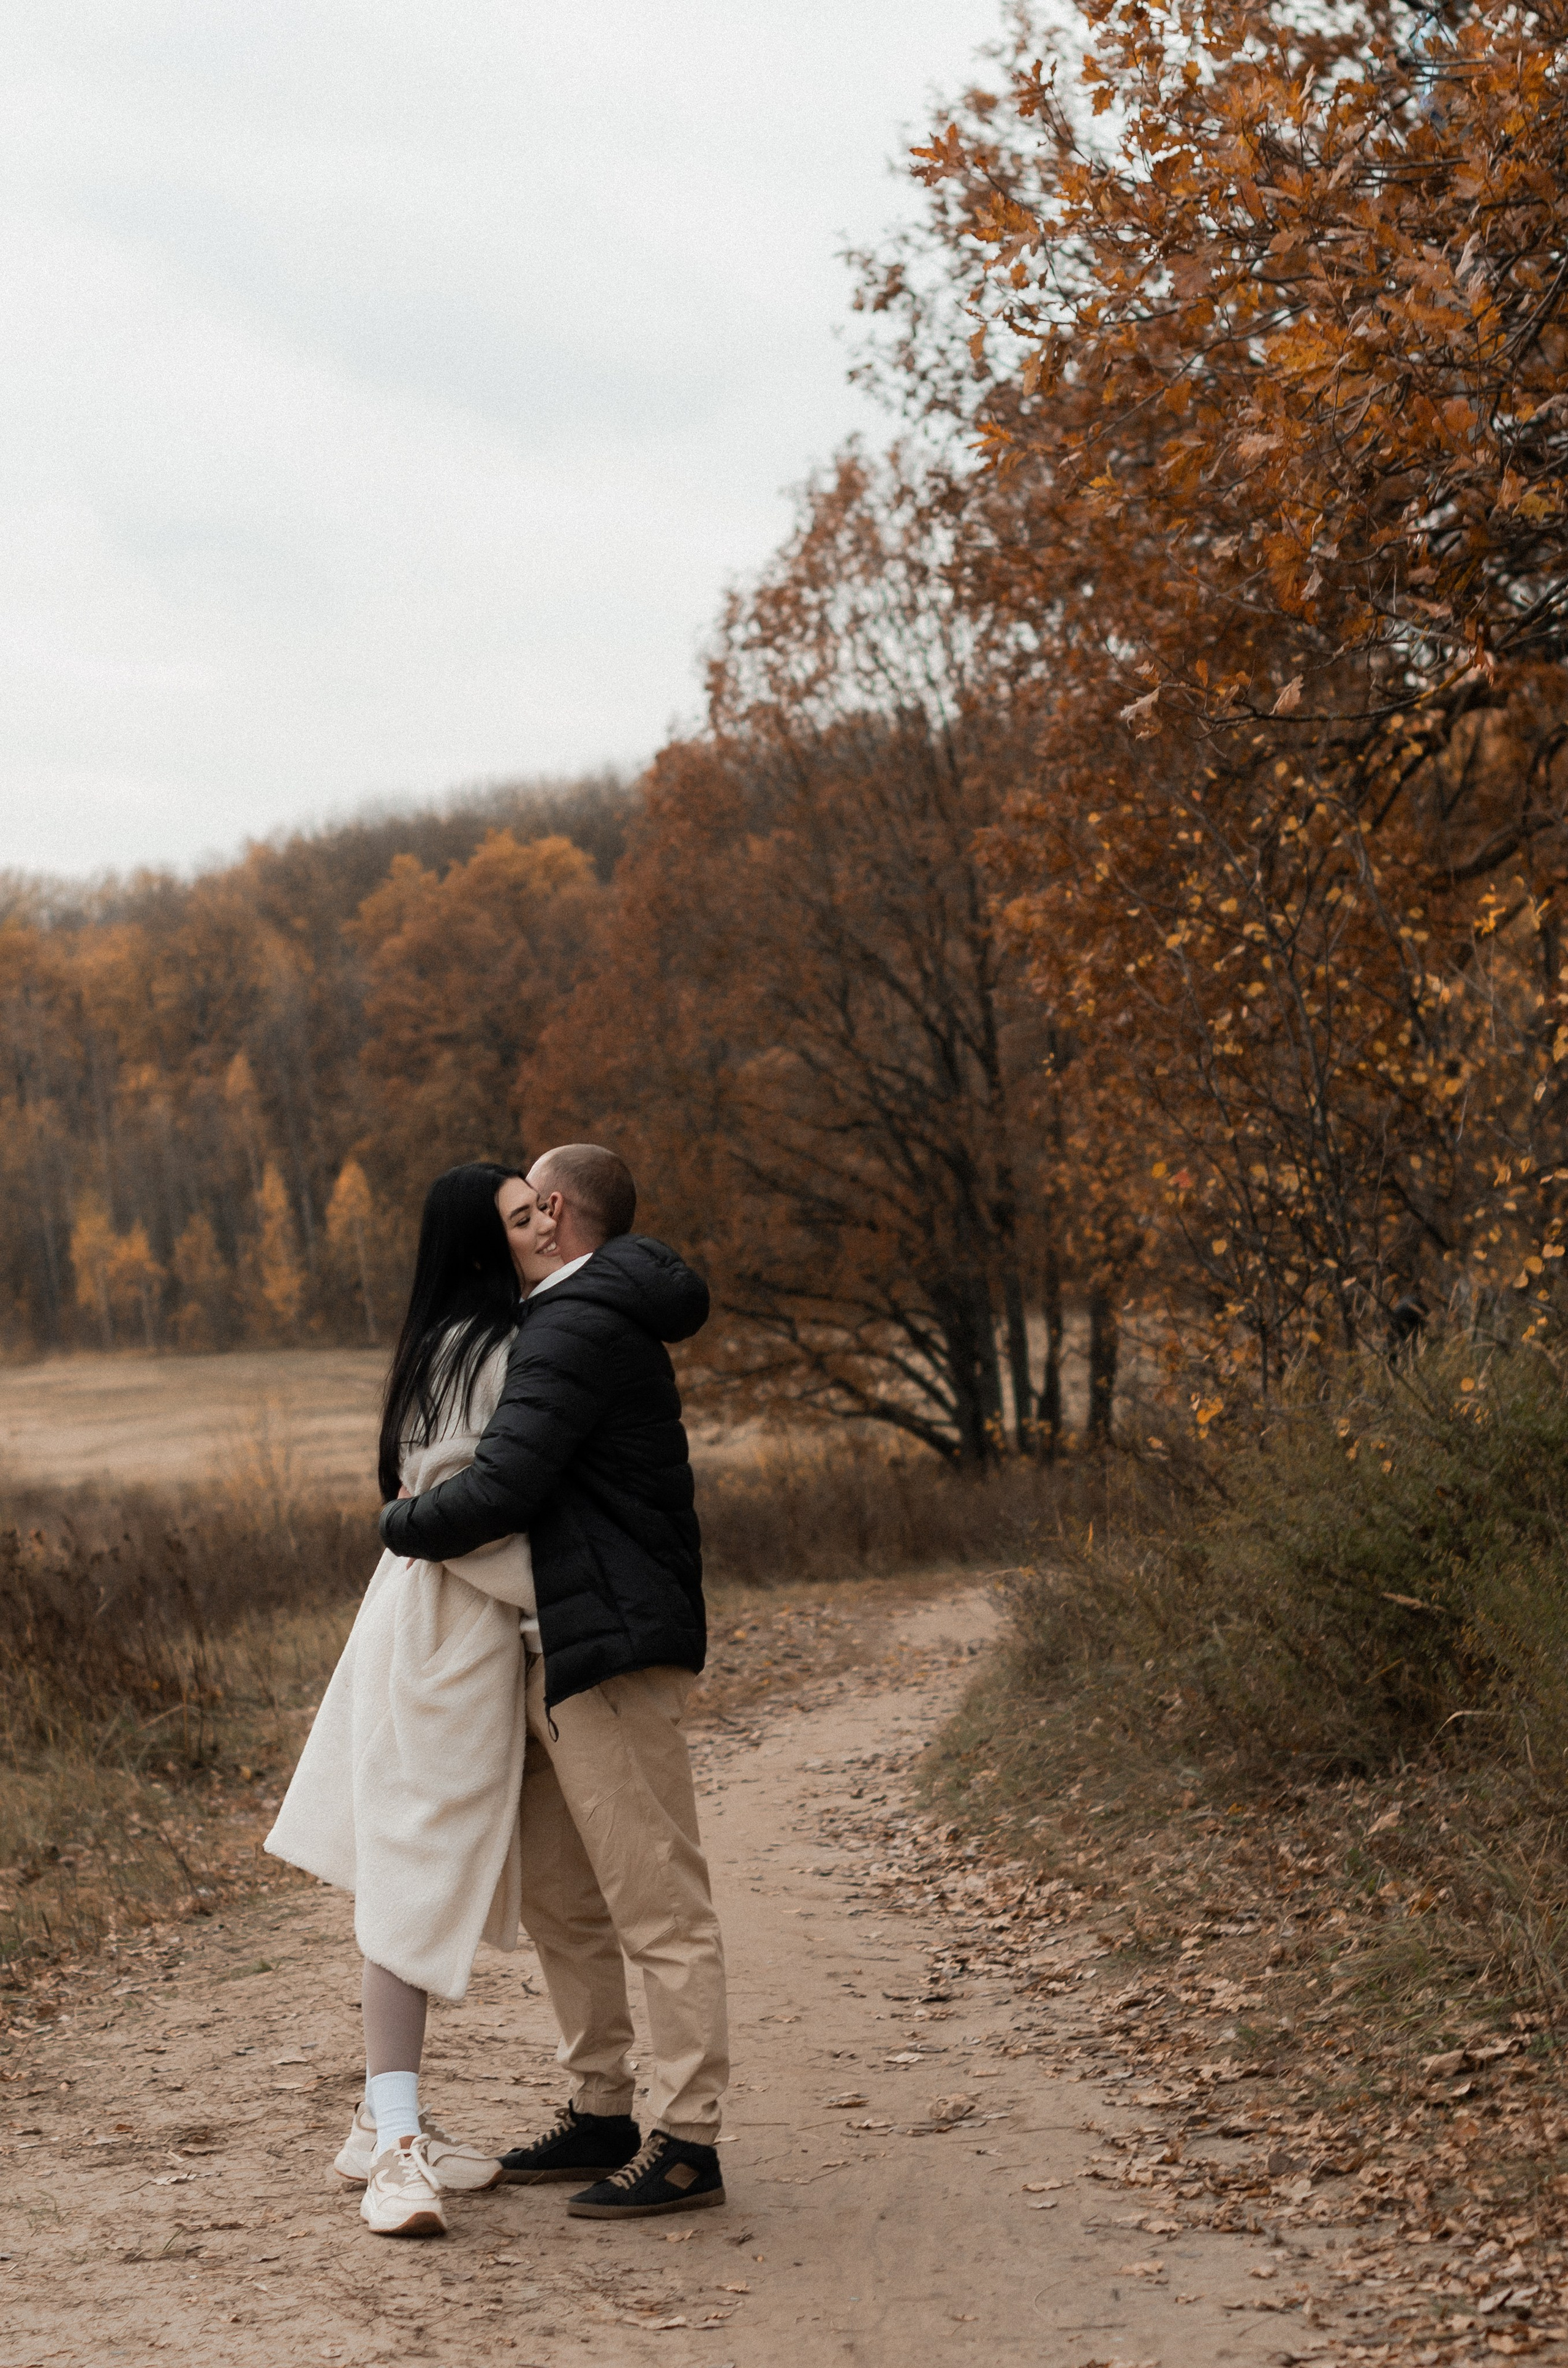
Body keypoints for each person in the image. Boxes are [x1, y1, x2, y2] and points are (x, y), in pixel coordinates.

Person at [379, 1142, 729, 2221]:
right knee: (569, 1903)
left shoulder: (576, 1322)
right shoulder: (572, 1316)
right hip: (558, 1641)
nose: (520, 1223)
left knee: (656, 1899)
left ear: (558, 1206)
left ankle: (688, 2138)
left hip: (607, 1645)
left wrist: (401, 1524)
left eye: (532, 1205)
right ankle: (603, 2108)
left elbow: (507, 1480)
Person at [266, 1160, 565, 2238]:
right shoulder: (481, 1348)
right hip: (445, 1632)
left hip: (444, 1622)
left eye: (543, 1206)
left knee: (427, 1868)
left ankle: (378, 2119)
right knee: (412, 1876)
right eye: (522, 1216)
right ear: (483, 1245)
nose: (544, 1223)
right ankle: (395, 2148)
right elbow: (461, 1509)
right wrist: (559, 1603)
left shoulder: (484, 1337)